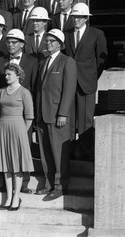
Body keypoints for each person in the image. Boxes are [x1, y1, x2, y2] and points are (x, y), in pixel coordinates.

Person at [35, 29, 77, 201]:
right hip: (42, 114)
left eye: (52, 41)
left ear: (60, 43)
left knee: (59, 151)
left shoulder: (67, 62)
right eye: (47, 40)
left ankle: (60, 185)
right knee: (45, 151)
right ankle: (49, 182)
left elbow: (69, 90)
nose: (48, 43)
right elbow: (39, 90)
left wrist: (63, 114)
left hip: (57, 115)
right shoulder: (43, 63)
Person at [64, 3, 107, 160]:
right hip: (69, 83)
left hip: (86, 83)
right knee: (68, 119)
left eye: (80, 17)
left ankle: (86, 152)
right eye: (74, 17)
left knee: (86, 120)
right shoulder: (66, 34)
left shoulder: (96, 34)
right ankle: (68, 152)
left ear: (86, 19)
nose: (76, 19)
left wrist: (92, 76)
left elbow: (103, 57)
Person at [0, 63, 34, 211]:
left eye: (9, 74)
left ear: (18, 75)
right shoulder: (1, 91)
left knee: (17, 165)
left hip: (18, 128)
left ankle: (16, 196)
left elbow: (29, 117)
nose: (6, 77)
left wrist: (22, 133)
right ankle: (9, 197)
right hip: (3, 127)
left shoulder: (25, 92)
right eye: (5, 74)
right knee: (6, 165)